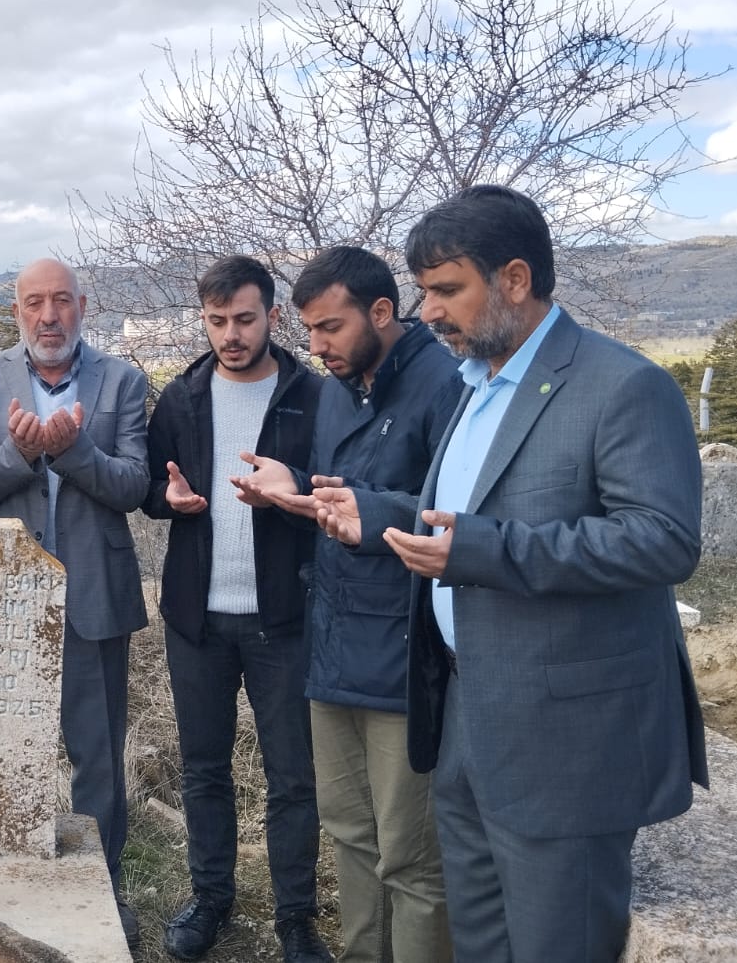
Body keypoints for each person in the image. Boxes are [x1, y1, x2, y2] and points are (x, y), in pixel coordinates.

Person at [309, 186, 708, 963]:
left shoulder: (623, 386)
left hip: (566, 747)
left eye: (446, 289)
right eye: (424, 291)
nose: (428, 312)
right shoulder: (476, 383)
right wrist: (377, 514)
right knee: (482, 944)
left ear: (515, 280)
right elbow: (470, 510)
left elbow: (663, 541)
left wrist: (484, 552)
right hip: (467, 724)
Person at [238, 247, 461, 962]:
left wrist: (357, 505)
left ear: (383, 312)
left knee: (411, 856)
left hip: (407, 653)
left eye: (330, 328)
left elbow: (461, 514)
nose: (318, 347)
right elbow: (340, 489)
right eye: (309, 332)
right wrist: (293, 485)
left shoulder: (446, 383)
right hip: (332, 642)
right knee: (350, 833)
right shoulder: (338, 386)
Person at [0, 257, 150, 949]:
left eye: (61, 300)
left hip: (95, 595)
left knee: (97, 758)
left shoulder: (122, 380)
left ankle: (102, 890)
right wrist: (22, 454)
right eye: (34, 302)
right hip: (6, 603)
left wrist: (71, 451)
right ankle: (14, 895)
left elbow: (133, 487)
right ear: (17, 310)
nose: (48, 315)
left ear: (82, 305)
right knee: (13, 753)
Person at [141, 255, 330, 963]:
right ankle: (211, 899)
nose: (231, 334)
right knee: (204, 768)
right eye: (217, 321)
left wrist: (296, 489)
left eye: (245, 319)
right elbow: (151, 488)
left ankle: (295, 920)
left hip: (285, 619)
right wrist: (172, 501)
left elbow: (337, 490)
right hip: (198, 619)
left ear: (272, 317)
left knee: (293, 776)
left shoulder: (311, 396)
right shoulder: (182, 398)